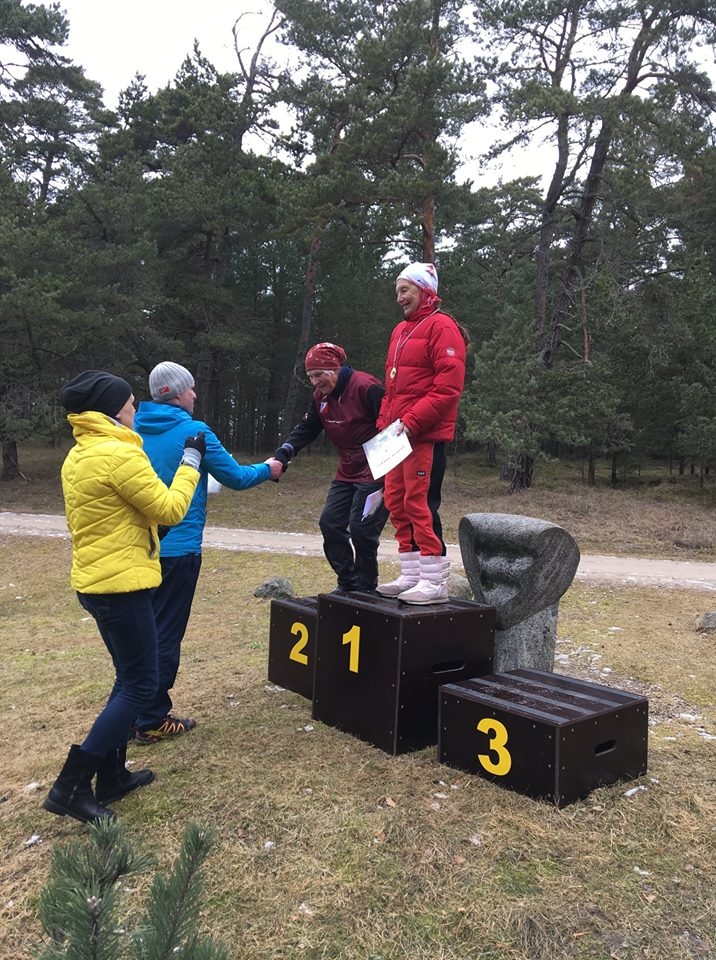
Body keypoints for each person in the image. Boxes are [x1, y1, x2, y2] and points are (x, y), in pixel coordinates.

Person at [44, 370, 205, 824]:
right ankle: (70, 787)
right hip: (124, 587)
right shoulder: (118, 454)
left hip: (95, 584)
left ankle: (112, 778)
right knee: (139, 684)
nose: (136, 410)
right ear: (115, 412)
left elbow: (121, 517)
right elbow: (172, 508)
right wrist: (191, 462)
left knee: (127, 678)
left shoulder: (80, 455)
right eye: (132, 404)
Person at [132, 361, 283, 745]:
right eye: (192, 389)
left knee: (141, 631)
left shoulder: (131, 429)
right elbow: (235, 477)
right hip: (179, 549)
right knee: (165, 634)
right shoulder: (194, 431)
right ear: (178, 393)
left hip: (139, 547)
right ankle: (151, 718)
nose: (196, 395)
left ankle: (134, 707)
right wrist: (270, 467)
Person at [376, 262, 469, 604]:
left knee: (420, 503)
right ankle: (412, 573)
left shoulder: (442, 327)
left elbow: (447, 390)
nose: (399, 298)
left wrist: (411, 421)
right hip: (397, 436)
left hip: (423, 436)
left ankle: (435, 581)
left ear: (425, 290)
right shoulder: (400, 331)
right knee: (396, 502)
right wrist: (384, 424)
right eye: (397, 291)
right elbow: (393, 387)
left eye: (405, 290)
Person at [273, 342, 389, 594]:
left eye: (319, 375)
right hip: (347, 469)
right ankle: (347, 582)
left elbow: (392, 423)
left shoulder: (366, 387)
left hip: (377, 468)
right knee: (330, 523)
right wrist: (284, 453)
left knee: (362, 528)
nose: (315, 382)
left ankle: (366, 587)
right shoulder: (320, 397)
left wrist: (392, 469)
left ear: (335, 368)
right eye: (310, 377)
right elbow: (307, 428)